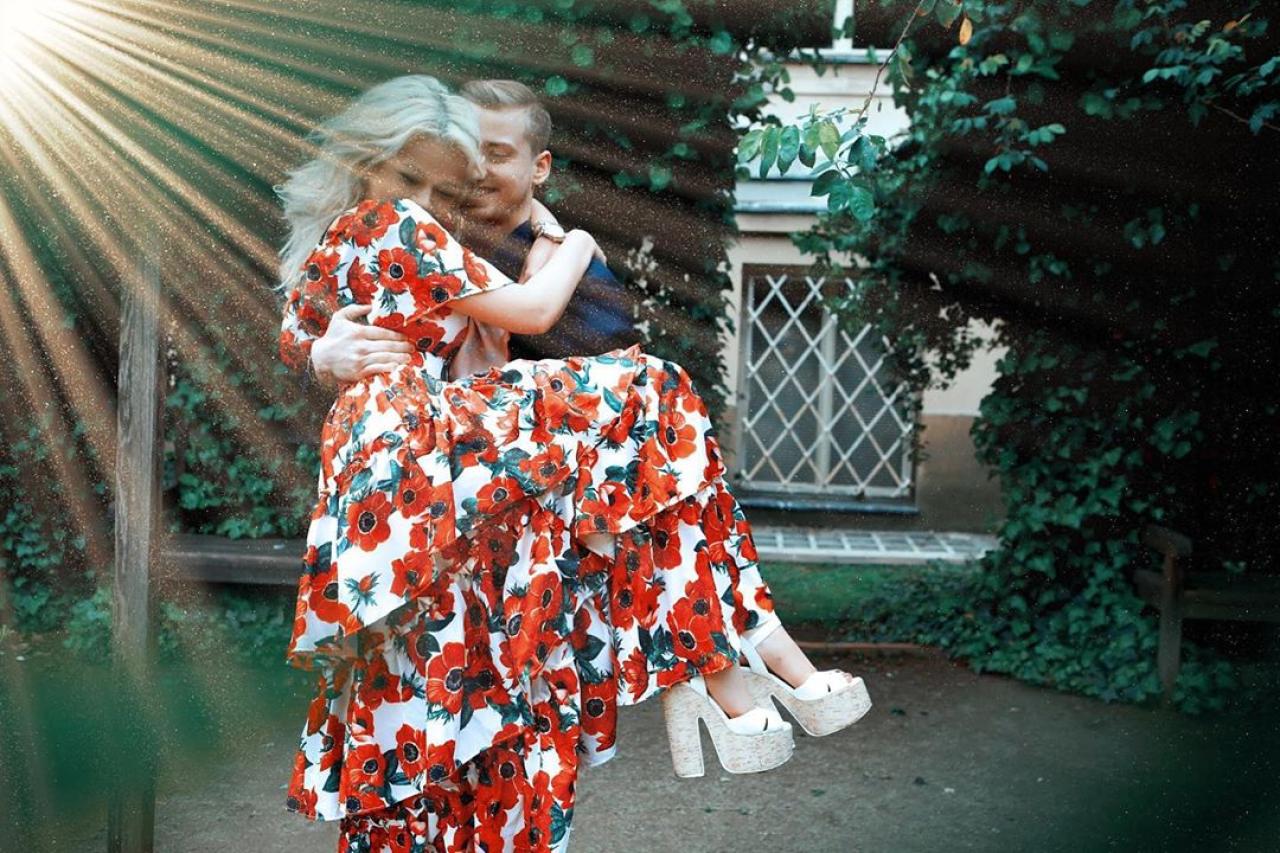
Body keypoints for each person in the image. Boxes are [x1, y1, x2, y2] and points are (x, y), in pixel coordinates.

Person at [276, 74, 870, 853]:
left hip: (445, 506)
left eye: (447, 182)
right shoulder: (399, 224)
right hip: (428, 464)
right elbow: (524, 314)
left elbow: (296, 328)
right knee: (654, 390)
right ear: (367, 162)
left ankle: (732, 657)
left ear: (539, 166)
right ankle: (735, 657)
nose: (435, 198)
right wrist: (578, 241)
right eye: (416, 176)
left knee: (481, 728)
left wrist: (319, 347)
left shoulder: (373, 234)